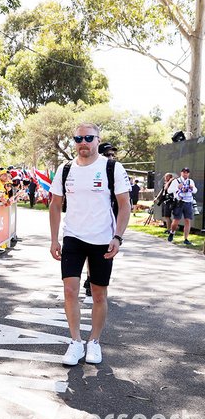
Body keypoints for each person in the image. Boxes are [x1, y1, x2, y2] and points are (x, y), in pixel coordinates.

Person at [49, 123, 130, 366]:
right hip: (73, 237)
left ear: (97, 139)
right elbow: (54, 205)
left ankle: (94, 342)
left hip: (102, 239)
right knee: (70, 291)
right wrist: (54, 238)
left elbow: (125, 205)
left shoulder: (111, 168)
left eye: (88, 138)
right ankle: (75, 342)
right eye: (78, 138)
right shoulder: (65, 169)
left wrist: (118, 236)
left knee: (98, 294)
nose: (83, 142)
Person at [167, 167, 198, 245]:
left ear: (188, 173)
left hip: (188, 202)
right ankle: (172, 232)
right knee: (176, 220)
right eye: (184, 172)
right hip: (179, 202)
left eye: (187, 172)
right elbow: (169, 190)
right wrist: (178, 187)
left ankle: (186, 239)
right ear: (181, 173)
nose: (185, 174)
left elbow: (195, 191)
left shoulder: (190, 181)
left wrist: (192, 188)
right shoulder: (176, 181)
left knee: (187, 220)